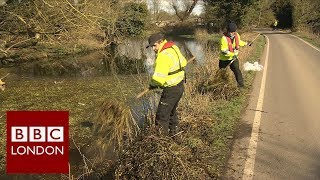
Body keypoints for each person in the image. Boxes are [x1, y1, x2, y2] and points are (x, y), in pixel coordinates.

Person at [146, 33, 187, 136]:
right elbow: (184, 62)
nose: (153, 49)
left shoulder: (163, 56)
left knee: (161, 116)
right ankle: (175, 134)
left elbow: (158, 79)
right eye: (152, 46)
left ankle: (161, 141)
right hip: (180, 86)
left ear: (161, 42)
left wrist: (152, 84)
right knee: (171, 112)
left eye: (154, 45)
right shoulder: (173, 48)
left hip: (171, 89)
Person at [219, 22, 249, 88]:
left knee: (237, 71)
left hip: (234, 59)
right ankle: (222, 87)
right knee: (222, 73)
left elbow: (239, 42)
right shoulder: (223, 39)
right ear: (227, 31)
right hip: (224, 60)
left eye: (233, 32)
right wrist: (232, 54)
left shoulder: (237, 35)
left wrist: (246, 43)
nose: (232, 33)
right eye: (230, 32)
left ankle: (241, 86)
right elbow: (224, 51)